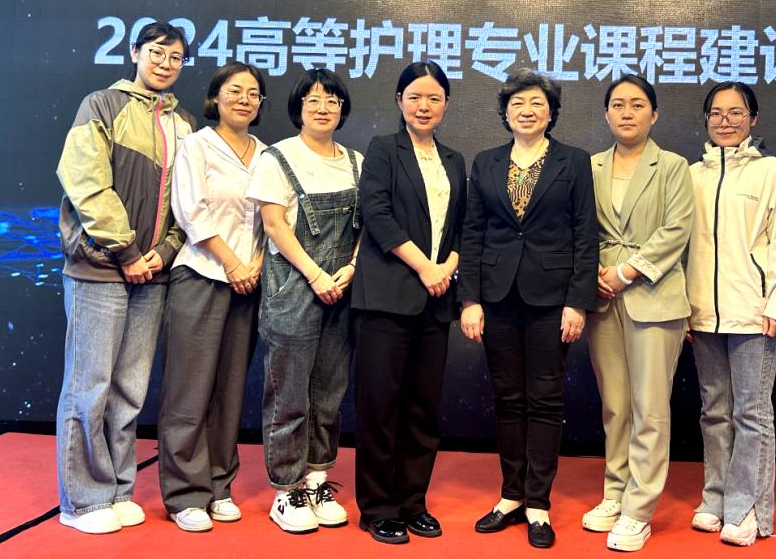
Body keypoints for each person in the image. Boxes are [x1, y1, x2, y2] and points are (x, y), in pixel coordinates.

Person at [56, 21, 195, 534]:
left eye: (175, 57)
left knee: (130, 390)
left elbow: (188, 202)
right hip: (100, 267)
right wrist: (129, 251)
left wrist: (164, 252)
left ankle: (116, 489)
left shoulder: (185, 123)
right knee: (89, 385)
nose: (165, 63)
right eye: (157, 52)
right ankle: (82, 502)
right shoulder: (102, 105)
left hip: (152, 273)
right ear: (135, 52)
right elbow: (87, 183)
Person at [458, 68, 598, 549]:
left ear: (551, 112)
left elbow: (585, 234)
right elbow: (472, 233)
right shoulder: (487, 161)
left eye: (537, 103)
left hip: (551, 300)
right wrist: (470, 299)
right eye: (517, 103)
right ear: (505, 112)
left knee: (544, 400)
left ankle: (538, 502)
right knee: (507, 399)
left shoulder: (573, 161)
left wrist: (577, 301)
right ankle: (510, 495)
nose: (527, 110)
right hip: (497, 297)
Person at [352, 62, 467, 544]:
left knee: (422, 409)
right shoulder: (383, 149)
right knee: (380, 406)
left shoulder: (454, 160)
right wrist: (425, 267)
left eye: (434, 98)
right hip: (387, 297)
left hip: (436, 301)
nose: (424, 106)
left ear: (446, 104)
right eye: (415, 96)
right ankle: (378, 506)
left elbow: (465, 225)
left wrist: (447, 267)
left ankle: (412, 501)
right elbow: (376, 214)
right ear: (399, 101)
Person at [686, 81, 776, 547]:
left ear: (753, 119)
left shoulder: (773, 172)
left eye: (736, 113)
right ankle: (715, 500)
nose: (725, 122)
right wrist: (685, 308)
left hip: (755, 313)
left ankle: (748, 509)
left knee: (751, 413)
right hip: (703, 314)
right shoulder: (691, 175)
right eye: (716, 113)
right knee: (714, 411)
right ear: (706, 120)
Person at [246, 68, 362, 534]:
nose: (322, 108)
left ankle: (317, 480)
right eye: (313, 100)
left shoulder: (356, 161)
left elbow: (367, 224)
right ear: (298, 108)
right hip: (293, 287)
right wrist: (315, 275)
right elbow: (274, 225)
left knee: (329, 392)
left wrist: (351, 268)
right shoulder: (277, 158)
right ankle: (287, 489)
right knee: (288, 392)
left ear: (342, 109)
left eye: (332, 100)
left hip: (342, 287)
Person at [582, 75, 694, 552]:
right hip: (601, 295)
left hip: (653, 294)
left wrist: (626, 271)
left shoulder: (672, 166)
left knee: (650, 407)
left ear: (654, 114)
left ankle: (638, 509)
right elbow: (578, 227)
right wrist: (594, 271)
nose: (627, 113)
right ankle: (615, 492)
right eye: (618, 105)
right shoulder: (590, 166)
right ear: (606, 114)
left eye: (637, 104)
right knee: (615, 405)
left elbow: (676, 230)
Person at [157, 62, 268, 532]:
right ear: (216, 97)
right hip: (202, 275)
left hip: (249, 284)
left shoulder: (267, 155)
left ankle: (219, 484)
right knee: (189, 390)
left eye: (253, 93)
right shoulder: (196, 145)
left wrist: (254, 264)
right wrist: (232, 263)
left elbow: (271, 219)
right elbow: (191, 211)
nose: (244, 99)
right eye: (234, 90)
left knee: (229, 391)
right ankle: (185, 493)